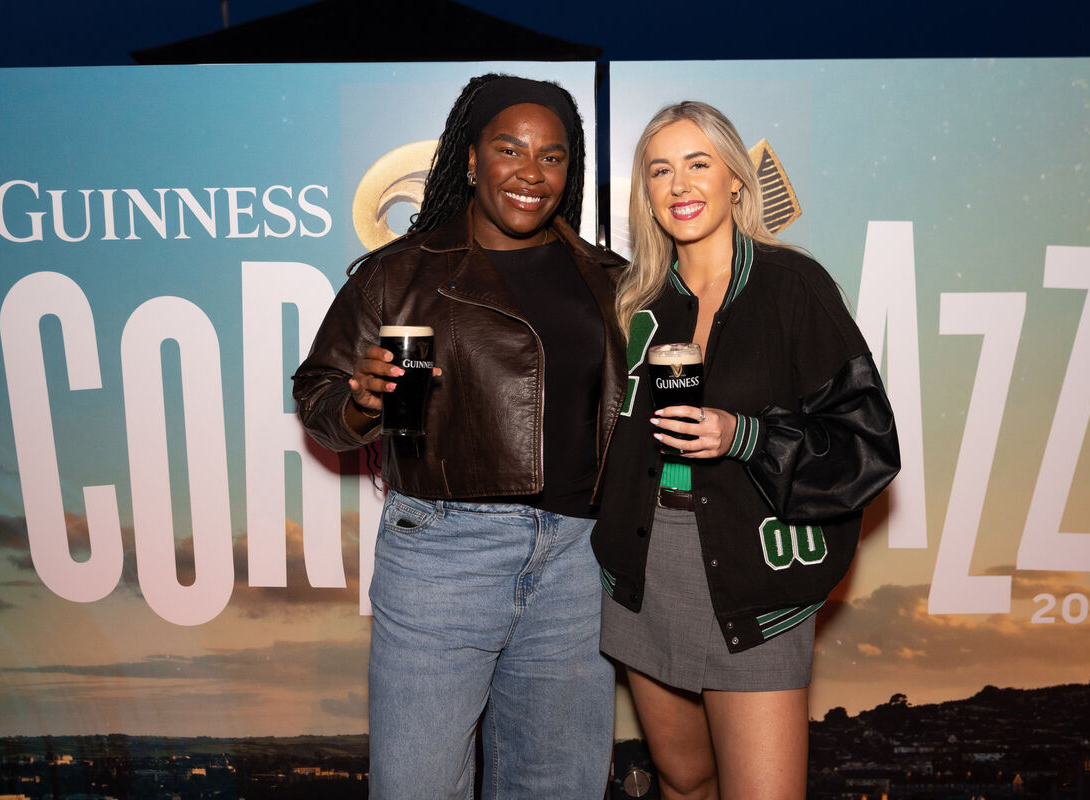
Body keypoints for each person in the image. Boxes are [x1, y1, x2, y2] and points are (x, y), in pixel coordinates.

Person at [292, 74, 625, 799]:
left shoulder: (611, 279)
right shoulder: (398, 272)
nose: (530, 172)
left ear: (570, 173)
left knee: (558, 787)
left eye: (552, 156)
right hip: (443, 550)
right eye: (510, 149)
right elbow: (317, 397)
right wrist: (359, 404)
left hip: (578, 560)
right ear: (471, 159)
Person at [593, 101, 900, 799]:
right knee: (683, 779)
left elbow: (868, 444)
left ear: (735, 179)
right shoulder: (632, 299)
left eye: (698, 163)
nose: (680, 185)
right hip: (644, 565)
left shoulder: (794, 287)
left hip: (752, 572)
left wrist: (744, 435)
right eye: (660, 170)